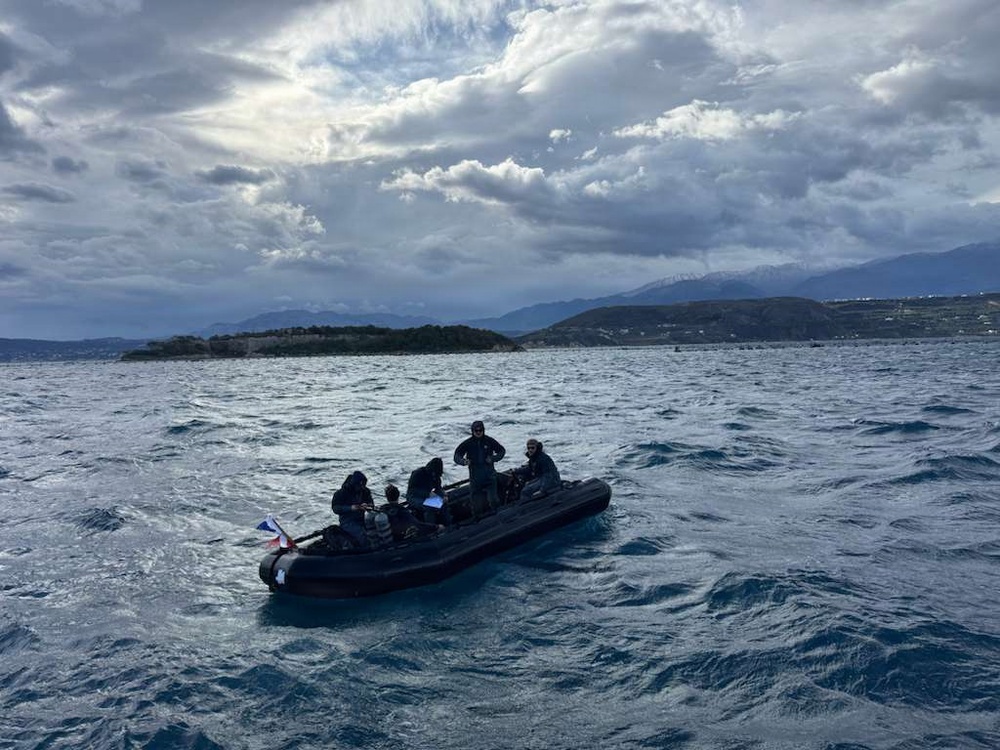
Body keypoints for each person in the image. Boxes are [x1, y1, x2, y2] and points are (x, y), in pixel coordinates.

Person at [453, 420, 506, 516]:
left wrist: (493, 458)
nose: (478, 432)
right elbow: (456, 456)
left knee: (493, 499)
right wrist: (463, 461)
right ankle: (478, 522)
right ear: (472, 431)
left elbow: (501, 451)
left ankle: (499, 517)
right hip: (475, 478)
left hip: (489, 476)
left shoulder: (489, 441)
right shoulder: (468, 443)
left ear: (483, 430)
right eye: (476, 430)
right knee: (476, 505)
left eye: (480, 430)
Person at [330, 470, 374, 548]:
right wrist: (350, 508)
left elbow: (372, 504)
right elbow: (335, 508)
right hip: (347, 521)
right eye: (360, 486)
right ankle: (366, 552)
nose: (362, 488)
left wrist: (368, 505)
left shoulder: (365, 491)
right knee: (362, 534)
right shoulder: (341, 493)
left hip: (363, 518)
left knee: (375, 528)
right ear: (354, 484)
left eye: (363, 485)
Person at [405, 457, 449, 524]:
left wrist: (444, 496)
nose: (434, 475)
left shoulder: (436, 476)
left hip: (427, 495)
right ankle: (431, 528)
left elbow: (438, 488)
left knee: (443, 504)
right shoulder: (418, 474)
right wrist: (428, 494)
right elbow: (412, 490)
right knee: (429, 507)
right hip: (414, 496)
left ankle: (447, 524)